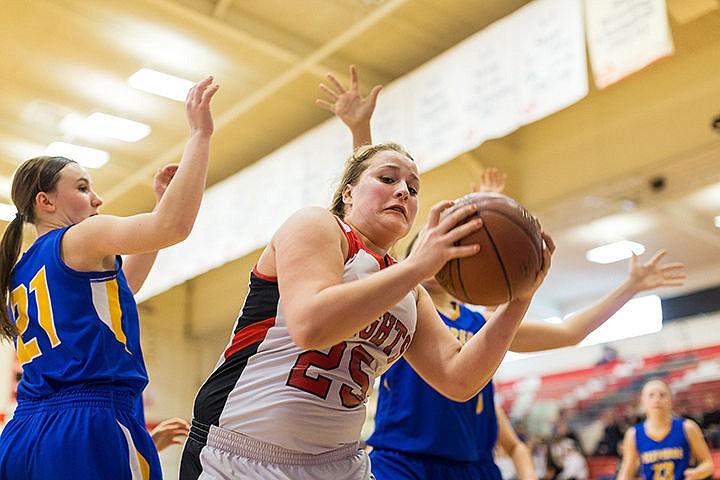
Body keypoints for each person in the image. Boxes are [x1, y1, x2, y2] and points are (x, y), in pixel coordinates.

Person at [317, 64, 688, 480]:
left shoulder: (483, 323)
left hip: (474, 465)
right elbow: (369, 212)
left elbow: (570, 333)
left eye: (457, 244)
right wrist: (360, 132)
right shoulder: (398, 301)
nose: (447, 251)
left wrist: (630, 286)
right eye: (438, 242)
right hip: (402, 462)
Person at [179, 83, 556, 479]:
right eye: (388, 180)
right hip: (244, 453)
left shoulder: (408, 290)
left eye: (412, 189)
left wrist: (519, 299)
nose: (403, 192)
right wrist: (417, 266)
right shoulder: (316, 226)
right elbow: (311, 326)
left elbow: (459, 378)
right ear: (348, 192)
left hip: (340, 463)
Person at [0, 76, 218, 480]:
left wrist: (160, 201)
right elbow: (173, 226)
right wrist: (200, 136)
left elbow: (122, 291)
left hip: (24, 431)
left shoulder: (19, 269)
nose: (96, 199)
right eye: (83, 188)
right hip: (90, 420)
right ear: (44, 202)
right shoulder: (80, 235)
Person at [616, 379, 714, 480]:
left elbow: (709, 464)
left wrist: (697, 472)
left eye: (662, 395)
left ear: (671, 400)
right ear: (643, 401)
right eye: (651, 395)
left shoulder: (687, 427)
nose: (657, 399)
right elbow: (625, 474)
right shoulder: (633, 434)